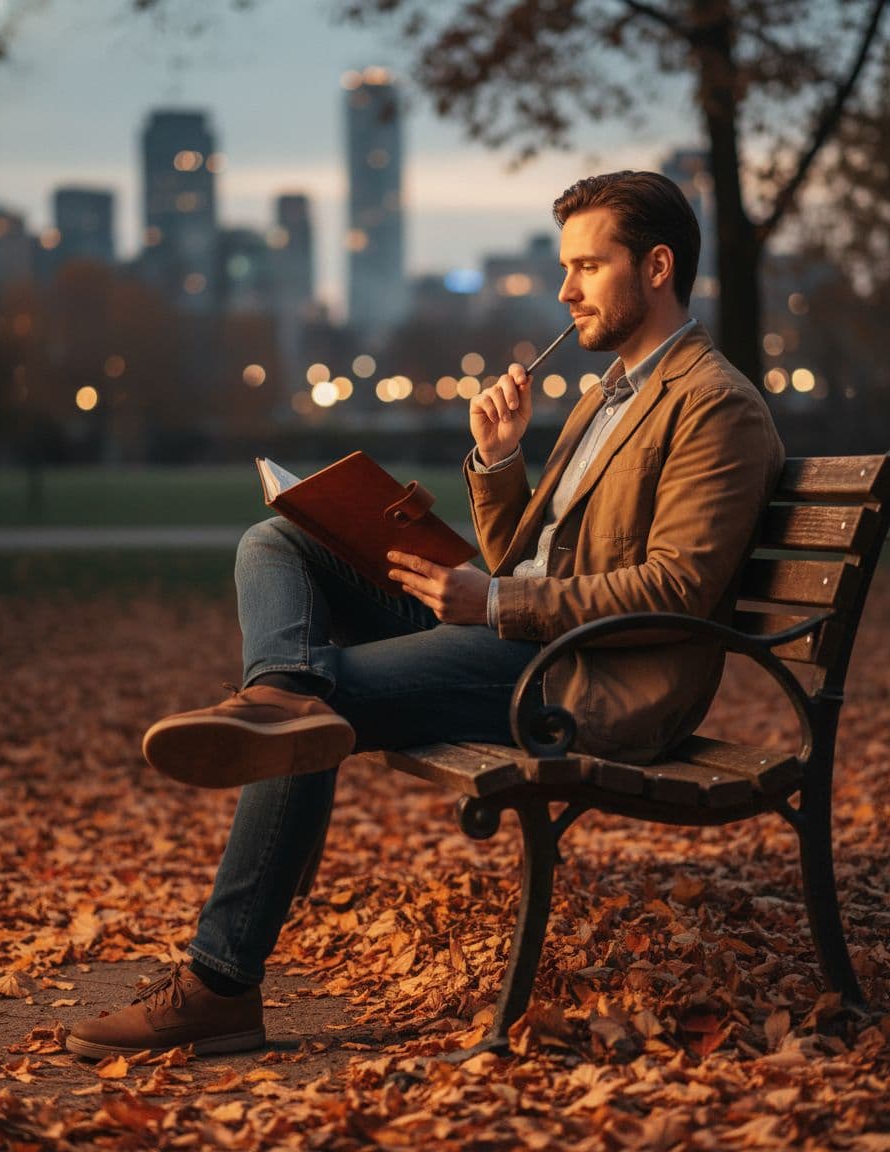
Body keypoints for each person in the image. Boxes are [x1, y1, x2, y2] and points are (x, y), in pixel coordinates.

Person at [66, 171, 784, 1059]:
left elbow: (675, 590)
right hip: (525, 638)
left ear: (659, 266)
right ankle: (283, 692)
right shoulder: (609, 394)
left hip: (587, 678)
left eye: (586, 268)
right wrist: (499, 459)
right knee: (279, 542)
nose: (564, 290)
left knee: (322, 701)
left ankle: (220, 984)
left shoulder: (716, 407)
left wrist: (497, 602)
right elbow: (524, 553)